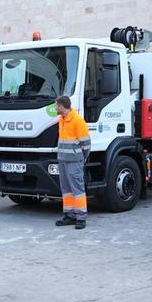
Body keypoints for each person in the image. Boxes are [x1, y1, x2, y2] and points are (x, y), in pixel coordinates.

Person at [54, 95, 91, 229]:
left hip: (74, 161)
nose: (55, 108)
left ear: (62, 106)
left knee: (77, 189)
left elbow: (86, 143)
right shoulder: (61, 119)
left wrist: (82, 157)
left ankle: (81, 217)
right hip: (63, 160)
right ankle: (70, 215)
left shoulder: (77, 120)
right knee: (67, 190)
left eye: (56, 106)